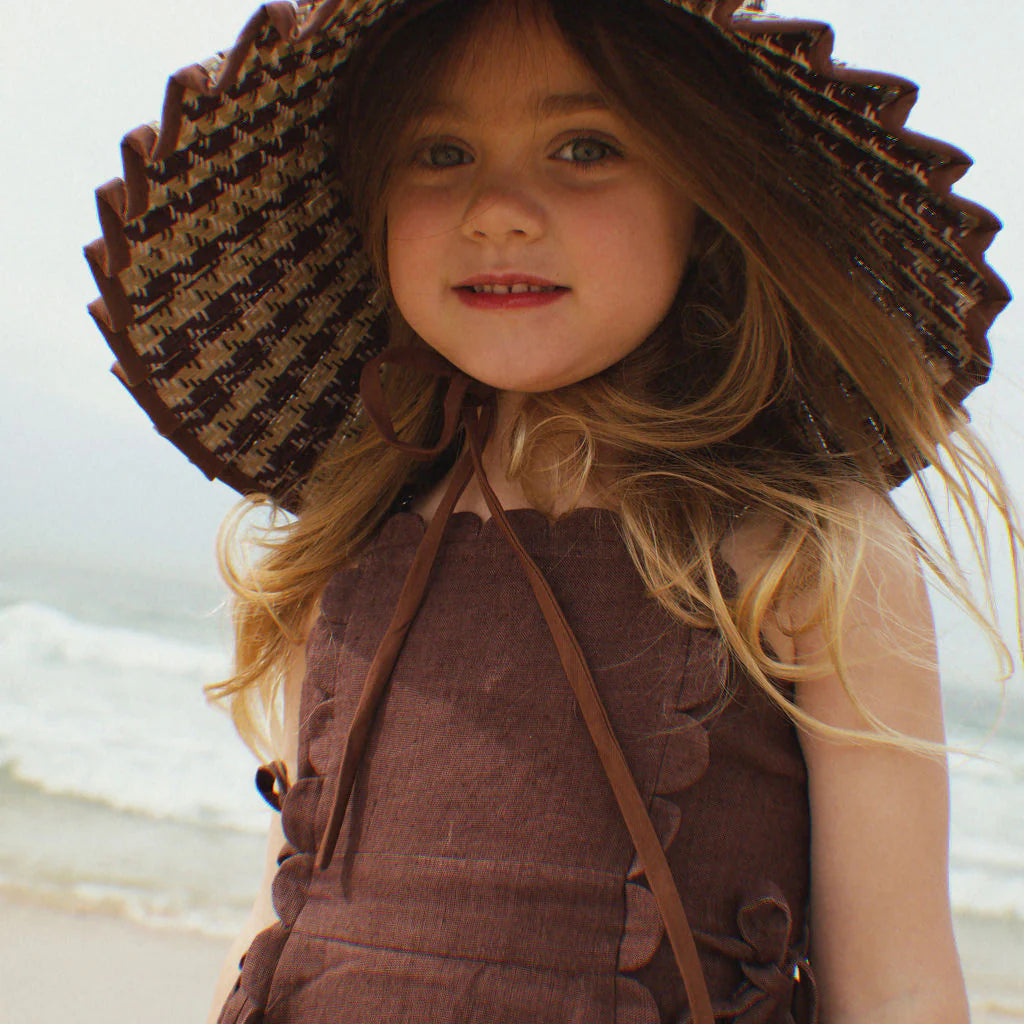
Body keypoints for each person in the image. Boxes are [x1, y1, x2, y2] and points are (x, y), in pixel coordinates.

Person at [83, 0, 1018, 1021]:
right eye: (440, 152)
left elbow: (898, 987)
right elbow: (283, 923)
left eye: (584, 146)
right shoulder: (349, 552)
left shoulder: (806, 551)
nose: (497, 208)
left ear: (706, 200)